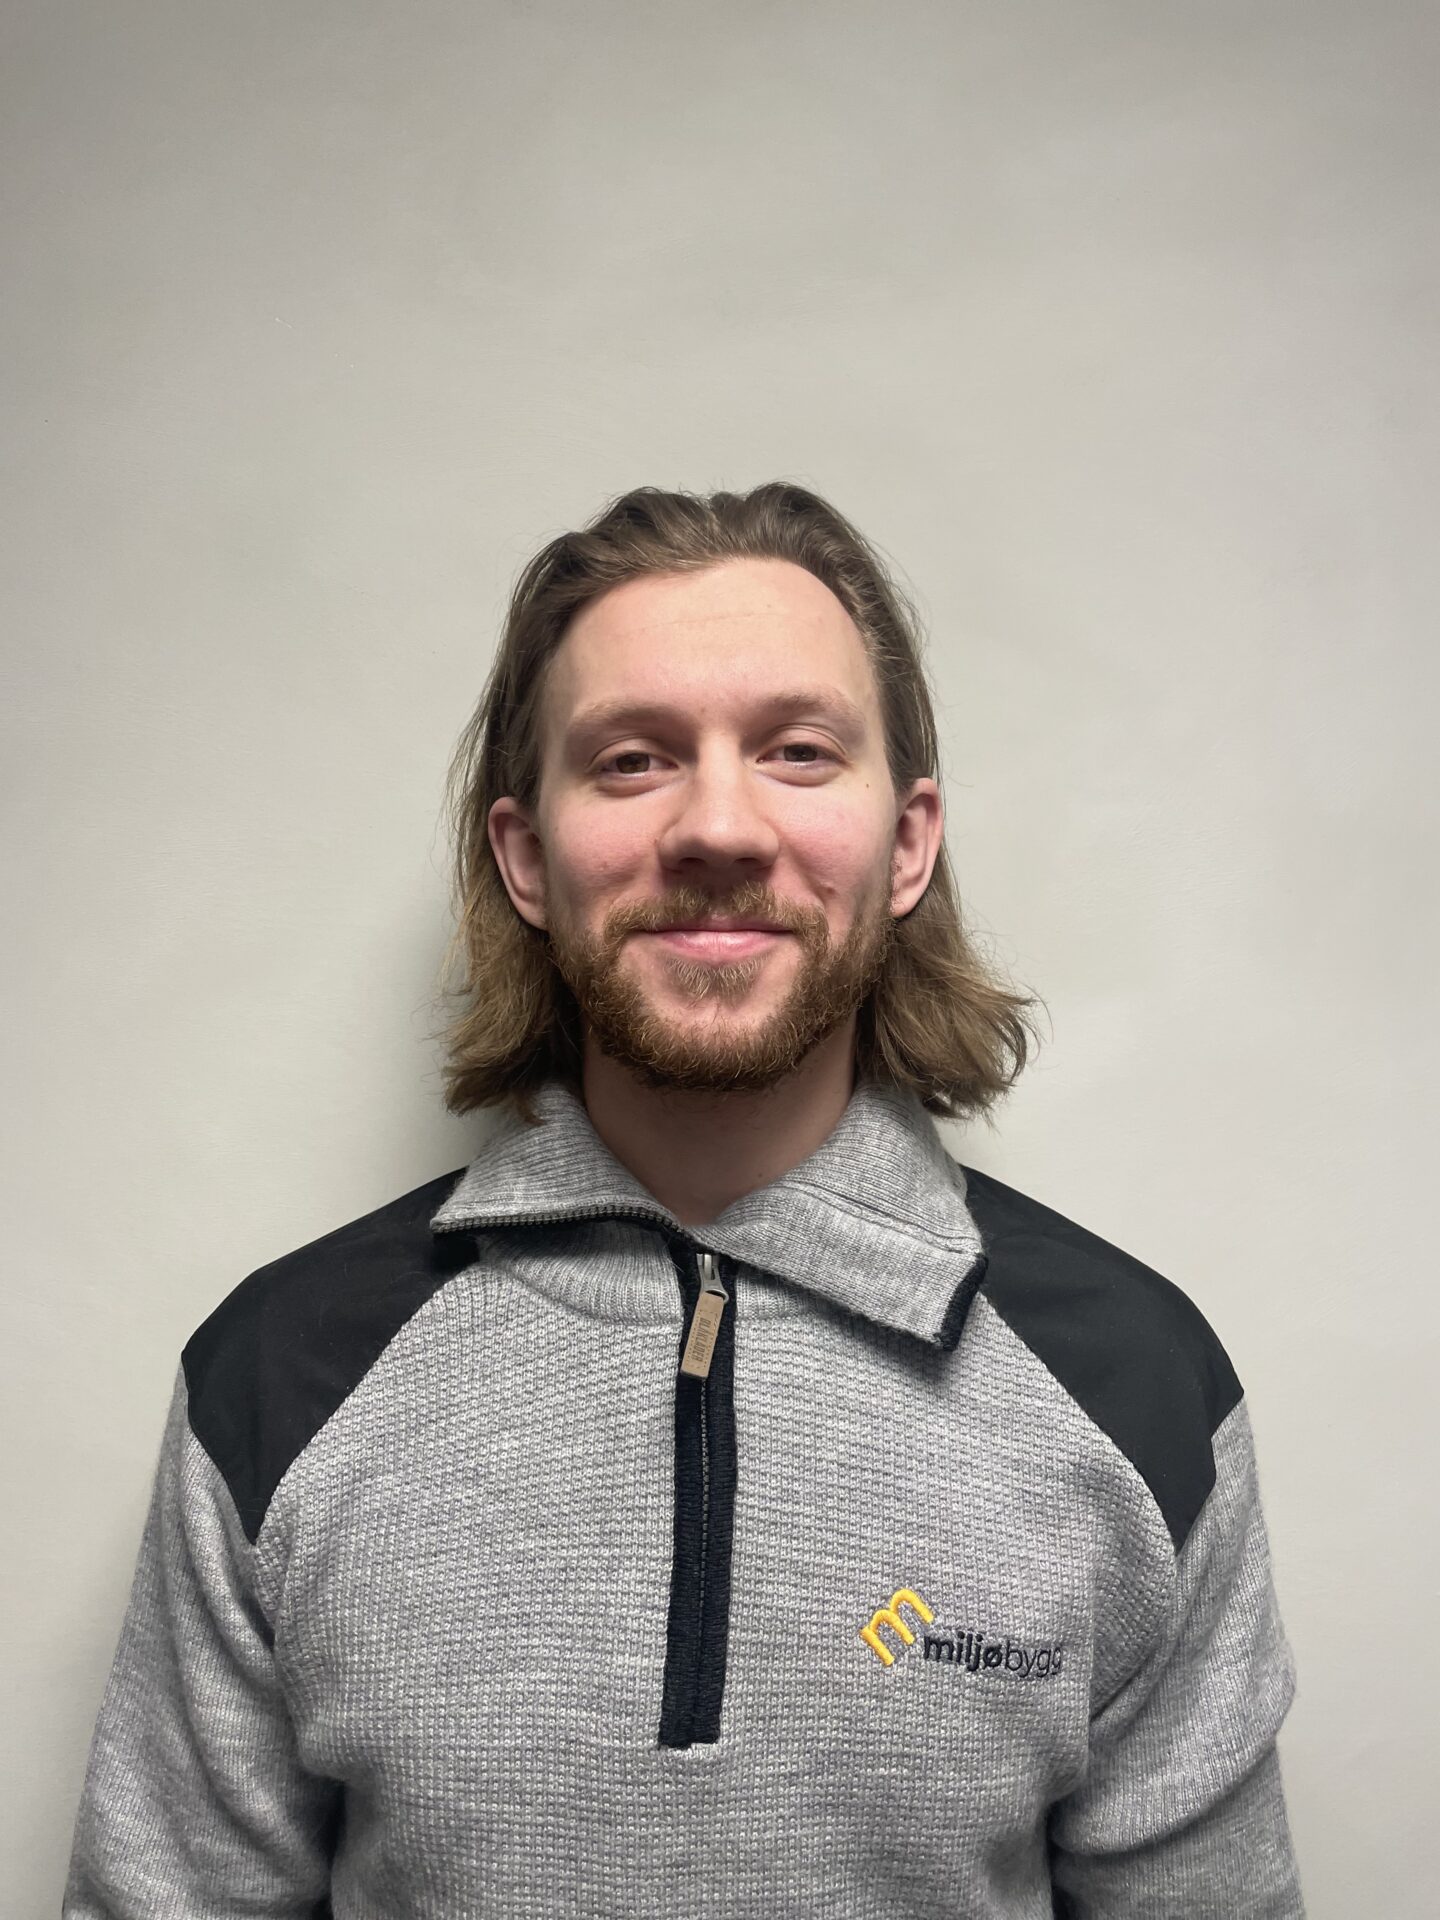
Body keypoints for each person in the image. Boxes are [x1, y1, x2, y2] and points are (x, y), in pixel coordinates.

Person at [64, 482, 1305, 1917]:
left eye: (797, 752)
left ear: (907, 844)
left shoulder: (1138, 1390)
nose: (719, 826)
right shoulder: (278, 1380)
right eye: (635, 761)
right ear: (527, 858)